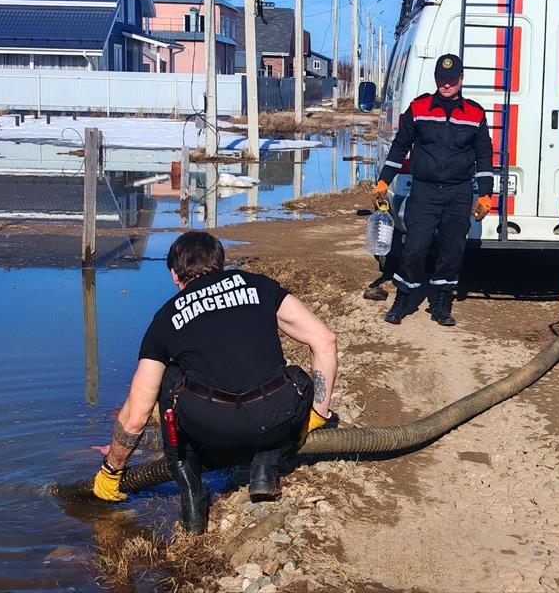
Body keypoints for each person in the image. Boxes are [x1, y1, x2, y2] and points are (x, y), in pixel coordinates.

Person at [91, 231, 339, 533]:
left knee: (168, 380)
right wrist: (317, 415)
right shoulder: (259, 286)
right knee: (297, 377)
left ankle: (192, 501)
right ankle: (267, 459)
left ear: (173, 274)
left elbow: (137, 415)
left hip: (213, 427)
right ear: (221, 262)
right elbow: (324, 340)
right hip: (274, 416)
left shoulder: (165, 319)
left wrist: (112, 469)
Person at [374, 53, 494, 327]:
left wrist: (486, 193)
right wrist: (384, 180)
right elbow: (400, 146)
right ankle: (403, 298)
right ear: (436, 79)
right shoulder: (418, 108)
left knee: (452, 249)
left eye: (452, 79)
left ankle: (441, 301)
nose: (447, 84)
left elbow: (484, 156)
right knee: (415, 247)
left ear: (461, 79)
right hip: (425, 192)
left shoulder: (475, 113)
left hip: (458, 192)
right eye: (442, 78)